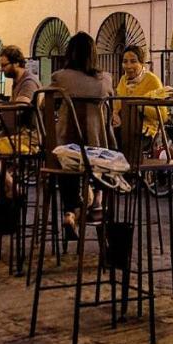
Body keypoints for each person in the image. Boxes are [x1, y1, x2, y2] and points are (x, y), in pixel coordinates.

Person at [51, 32, 114, 238]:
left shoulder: (60, 78)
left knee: (67, 161)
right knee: (102, 158)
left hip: (66, 147)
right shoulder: (105, 80)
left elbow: (43, 102)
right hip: (97, 149)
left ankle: (70, 212)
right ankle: (97, 200)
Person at [112, 44, 169, 147]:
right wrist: (115, 115)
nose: (128, 66)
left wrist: (139, 106)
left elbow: (163, 115)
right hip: (123, 128)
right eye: (125, 62)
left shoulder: (152, 80)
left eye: (133, 61)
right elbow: (117, 107)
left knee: (125, 143)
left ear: (142, 63)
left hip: (145, 132)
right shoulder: (123, 80)